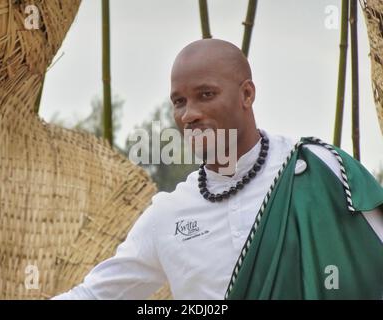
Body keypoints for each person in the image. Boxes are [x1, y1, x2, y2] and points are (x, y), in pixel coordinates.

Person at [53, 39, 383, 300]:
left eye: (205, 95)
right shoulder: (169, 214)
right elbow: (96, 294)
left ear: (247, 94)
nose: (188, 115)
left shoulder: (318, 170)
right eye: (179, 102)